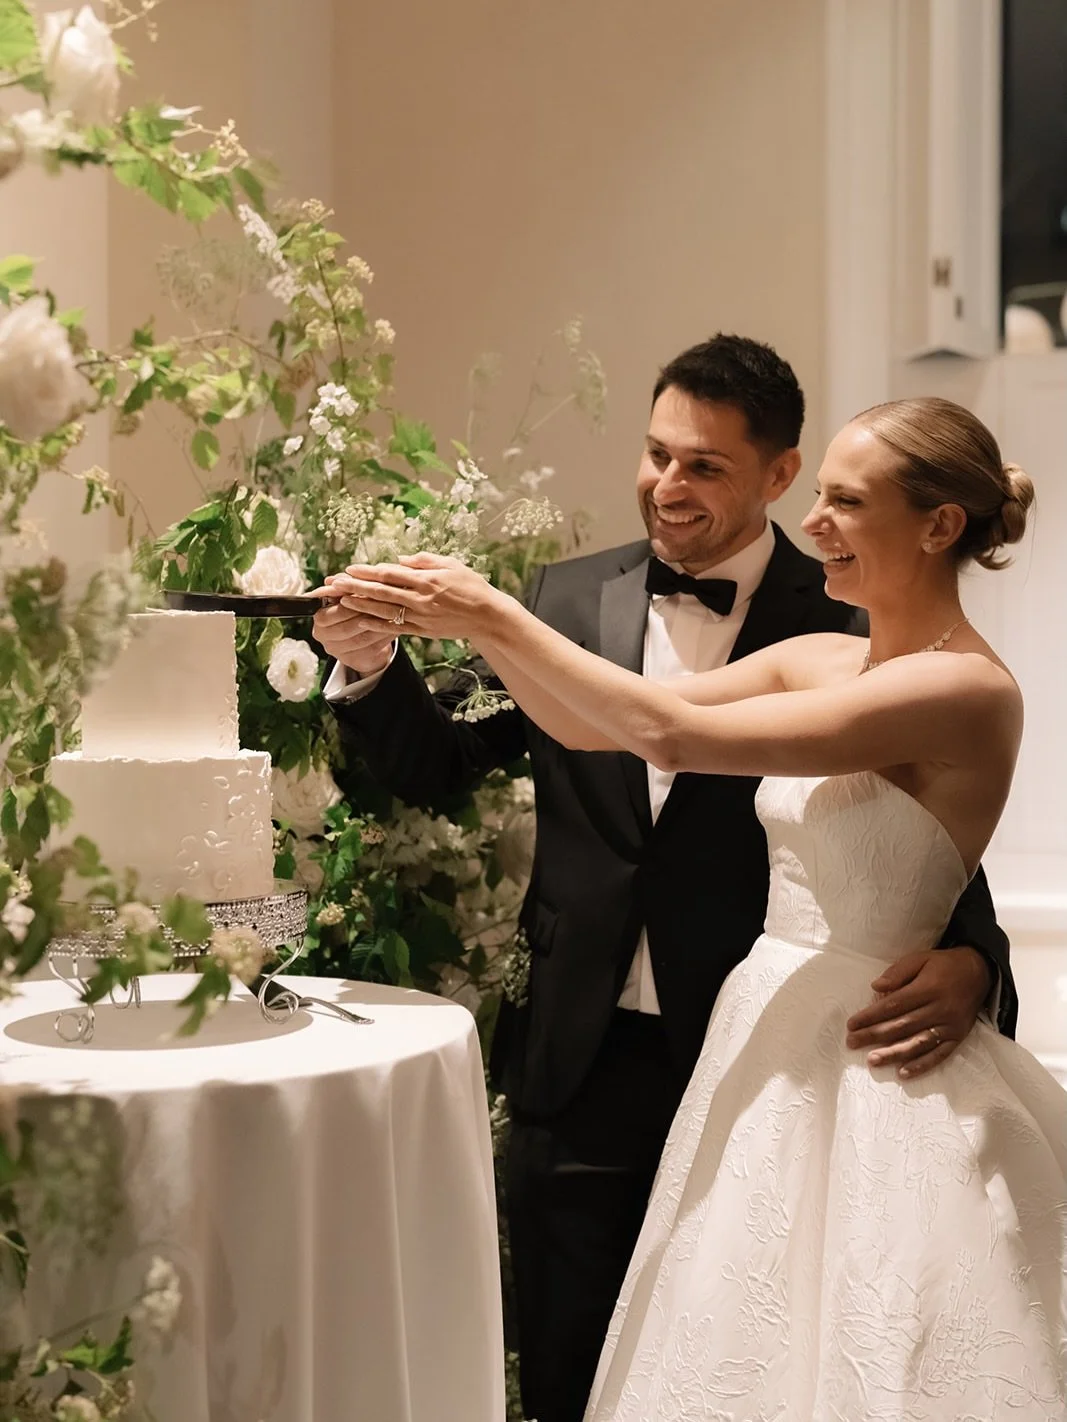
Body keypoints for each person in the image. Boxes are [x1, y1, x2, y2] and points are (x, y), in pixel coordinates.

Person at [320, 393, 1067, 1419]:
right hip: (761, 1028)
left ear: (938, 525)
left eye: (845, 502)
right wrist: (432, 632)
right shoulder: (823, 658)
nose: (812, 524)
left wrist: (489, 609)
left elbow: (667, 731)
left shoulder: (965, 691)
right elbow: (591, 733)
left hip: (868, 1059)